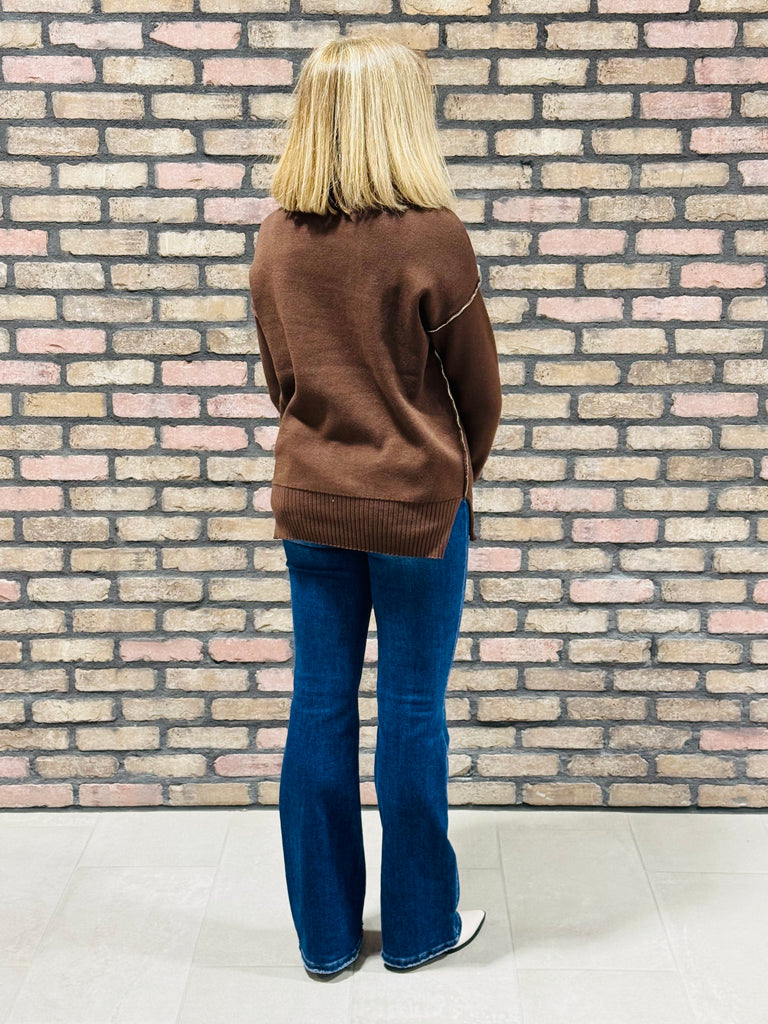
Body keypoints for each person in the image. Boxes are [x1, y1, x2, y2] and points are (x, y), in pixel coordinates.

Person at [248, 34, 502, 977]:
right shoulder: (433, 235)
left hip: (312, 500)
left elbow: (283, 379)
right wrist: (449, 475)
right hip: (418, 512)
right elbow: (480, 393)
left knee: (318, 706)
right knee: (411, 709)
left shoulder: (277, 236)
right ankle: (421, 927)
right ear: (398, 116)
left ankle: (323, 940)